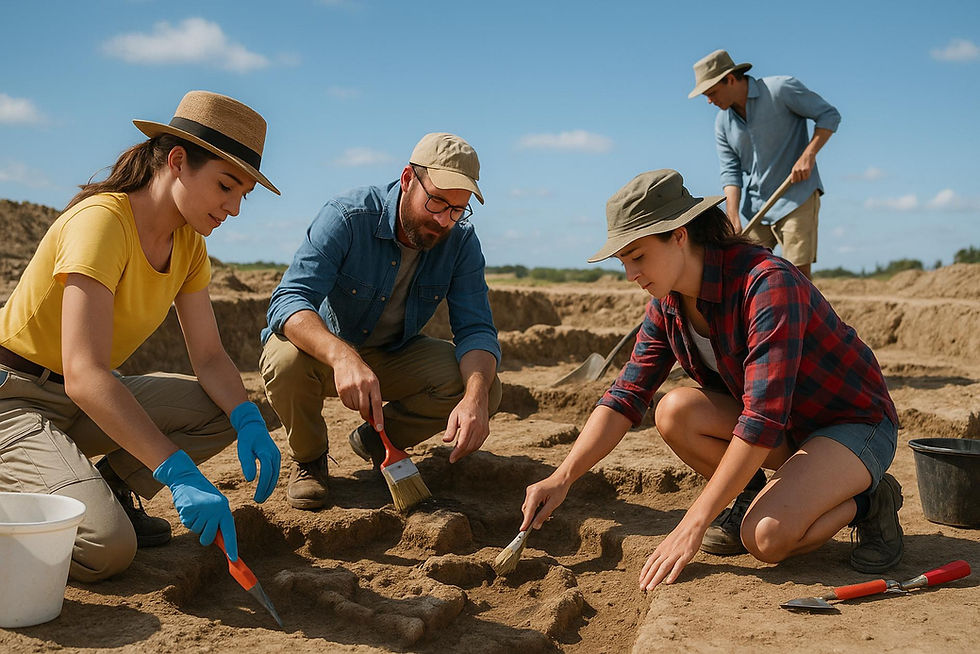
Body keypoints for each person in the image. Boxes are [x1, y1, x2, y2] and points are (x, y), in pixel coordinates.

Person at [520, 169, 903, 593]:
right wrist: (562, 477)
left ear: (679, 235)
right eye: (623, 261)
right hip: (786, 431)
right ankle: (748, 494)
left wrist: (692, 523)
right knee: (674, 410)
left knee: (765, 538)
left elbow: (760, 420)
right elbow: (626, 394)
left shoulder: (767, 284)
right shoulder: (667, 305)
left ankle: (871, 500)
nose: (630, 273)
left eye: (638, 256)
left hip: (850, 425)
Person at [0, 91, 282, 582]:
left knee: (230, 410)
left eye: (243, 196)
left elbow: (212, 359)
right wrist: (176, 471)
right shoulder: (102, 222)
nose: (234, 209)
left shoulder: (189, 244)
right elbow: (86, 375)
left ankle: (105, 488)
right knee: (106, 548)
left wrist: (247, 420)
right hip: (15, 399)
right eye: (225, 186)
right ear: (178, 161)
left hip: (75, 403)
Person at [260, 132, 502, 511]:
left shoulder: (461, 242)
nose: (443, 220)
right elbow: (289, 300)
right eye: (437, 202)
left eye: (458, 210)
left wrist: (475, 399)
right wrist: (342, 358)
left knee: (484, 387)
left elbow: (476, 331)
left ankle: (378, 440)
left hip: (391, 355)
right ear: (408, 179)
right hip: (324, 354)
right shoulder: (347, 216)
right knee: (282, 359)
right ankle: (309, 460)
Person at [689, 49, 841, 280]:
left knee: (797, 275)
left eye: (712, 92)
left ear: (730, 79)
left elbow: (829, 115)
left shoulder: (781, 89)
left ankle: (803, 315)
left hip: (797, 196)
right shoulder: (722, 123)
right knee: (749, 273)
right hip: (757, 206)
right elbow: (731, 172)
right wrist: (732, 215)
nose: (709, 100)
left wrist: (808, 155)